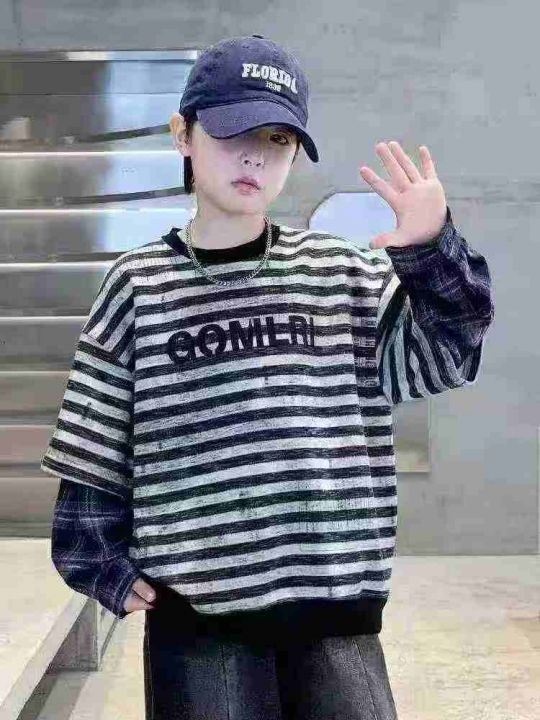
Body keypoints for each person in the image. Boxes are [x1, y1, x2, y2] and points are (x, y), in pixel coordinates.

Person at [42, 34, 494, 720]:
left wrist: (434, 250)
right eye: (234, 132)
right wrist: (96, 558)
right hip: (200, 623)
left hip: (337, 613)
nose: (255, 155)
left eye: (278, 140)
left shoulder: (344, 274)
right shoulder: (139, 285)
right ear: (183, 134)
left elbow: (448, 354)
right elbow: (95, 434)